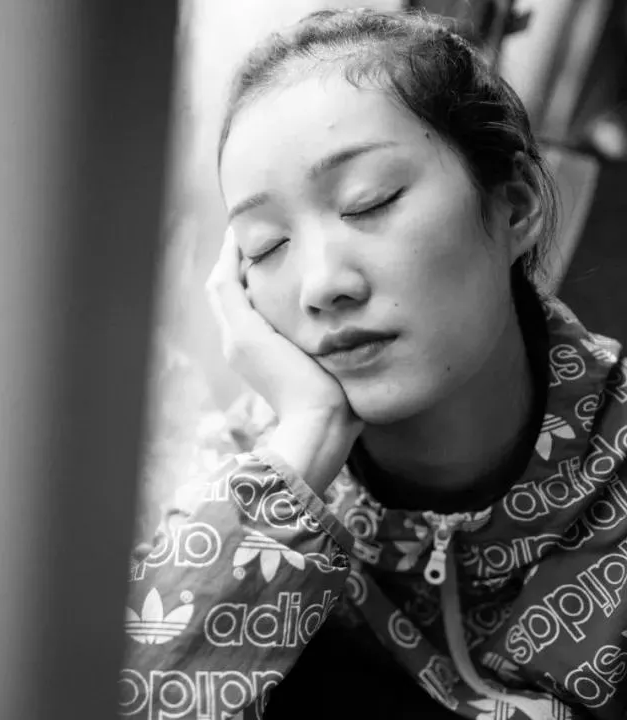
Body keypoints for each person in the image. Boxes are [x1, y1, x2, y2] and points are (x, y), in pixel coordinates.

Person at [119, 8, 627, 720]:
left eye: (370, 202)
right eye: (266, 246)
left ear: (515, 205)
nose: (323, 285)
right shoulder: (242, 481)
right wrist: (307, 442)